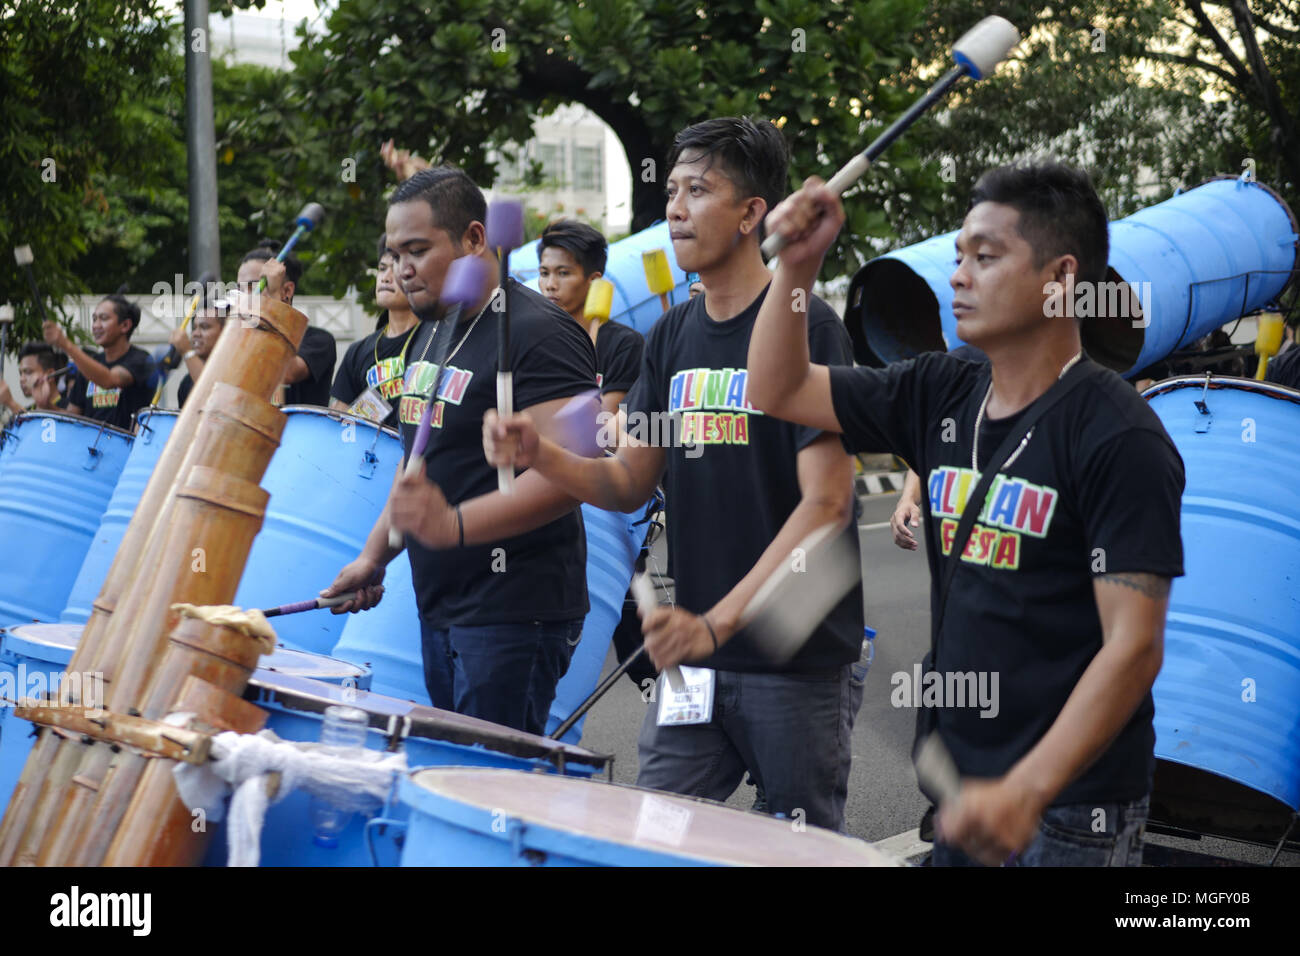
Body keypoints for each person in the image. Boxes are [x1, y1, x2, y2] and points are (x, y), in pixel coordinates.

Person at [745, 160, 1185, 866]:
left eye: (986, 257)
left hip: (1070, 812)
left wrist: (1028, 790)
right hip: (959, 793)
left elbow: (1132, 647)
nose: (958, 276)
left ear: (1062, 277)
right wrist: (797, 269)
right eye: (958, 256)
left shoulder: (1119, 436)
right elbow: (778, 388)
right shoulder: (938, 390)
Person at [484, 117, 864, 832]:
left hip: (795, 651)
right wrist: (544, 456)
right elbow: (630, 480)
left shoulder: (807, 324)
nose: (675, 207)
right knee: (656, 831)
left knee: (795, 844)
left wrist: (715, 626)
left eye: (699, 190)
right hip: (695, 655)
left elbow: (828, 505)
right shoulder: (671, 336)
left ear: (753, 214)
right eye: (674, 190)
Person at [320, 165, 599, 737]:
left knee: (491, 792)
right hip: (441, 604)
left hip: (514, 609)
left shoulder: (544, 332)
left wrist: (453, 525)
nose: (402, 269)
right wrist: (375, 557)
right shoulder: (432, 330)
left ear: (476, 238)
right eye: (394, 253)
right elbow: (415, 462)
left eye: (417, 250)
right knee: (454, 773)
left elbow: (571, 476)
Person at [537, 220, 645, 416]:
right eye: (544, 273)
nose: (550, 284)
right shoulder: (536, 341)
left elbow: (602, 426)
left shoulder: (624, 345)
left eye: (563, 273)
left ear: (594, 280)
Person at [329, 235, 420, 428]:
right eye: (381, 268)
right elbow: (338, 426)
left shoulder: (435, 339)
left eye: (395, 268)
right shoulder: (357, 351)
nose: (386, 278)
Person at [237, 241, 336, 406]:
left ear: (287, 291)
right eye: (240, 290)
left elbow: (285, 371)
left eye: (254, 287)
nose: (246, 297)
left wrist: (274, 299)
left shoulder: (319, 340)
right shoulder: (239, 342)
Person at [45, 295, 154, 430]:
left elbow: (109, 380)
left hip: (128, 447)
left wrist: (66, 344)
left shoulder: (141, 360)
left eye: (103, 318)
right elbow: (72, 418)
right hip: (90, 448)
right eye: (94, 319)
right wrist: (47, 405)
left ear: (125, 325)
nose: (96, 325)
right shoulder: (90, 364)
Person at [175, 301, 229, 408]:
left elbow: (214, 399)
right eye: (194, 328)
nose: (196, 333)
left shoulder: (233, 374)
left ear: (225, 332)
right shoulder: (186, 382)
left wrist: (187, 352)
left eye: (204, 327)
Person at [1, 342, 67, 421]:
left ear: (50, 374)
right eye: (20, 373)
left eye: (28, 372)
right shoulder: (28, 409)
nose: (22, 379)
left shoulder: (70, 407)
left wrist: (11, 403)